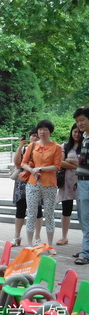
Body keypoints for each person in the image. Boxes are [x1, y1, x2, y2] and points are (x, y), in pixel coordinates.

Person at [20, 120, 62, 252]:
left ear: (50, 132)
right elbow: (23, 163)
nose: (42, 132)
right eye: (40, 129)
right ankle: (30, 244)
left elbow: (57, 166)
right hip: (33, 183)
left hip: (49, 184)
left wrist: (40, 169)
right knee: (31, 213)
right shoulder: (31, 146)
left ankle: (50, 245)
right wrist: (32, 170)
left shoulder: (57, 147)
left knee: (49, 214)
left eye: (46, 129)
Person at [11, 129, 44, 247]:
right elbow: (17, 163)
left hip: (36, 182)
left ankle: (37, 237)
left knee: (38, 210)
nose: (34, 138)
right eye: (32, 136)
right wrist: (20, 147)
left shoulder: (42, 150)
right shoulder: (24, 150)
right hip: (22, 183)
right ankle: (17, 237)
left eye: (37, 136)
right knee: (20, 209)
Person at [57, 123, 81, 246]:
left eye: (79, 132)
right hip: (67, 182)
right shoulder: (65, 146)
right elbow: (60, 162)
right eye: (74, 132)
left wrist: (70, 160)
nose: (77, 134)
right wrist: (77, 165)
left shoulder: (85, 146)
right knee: (66, 209)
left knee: (84, 211)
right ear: (71, 132)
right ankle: (64, 236)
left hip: (82, 182)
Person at [73, 108, 89, 265]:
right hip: (82, 182)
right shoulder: (85, 139)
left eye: (82, 119)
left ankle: (86, 253)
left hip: (87, 183)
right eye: (78, 121)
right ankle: (86, 248)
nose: (80, 123)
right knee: (83, 218)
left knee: (86, 217)